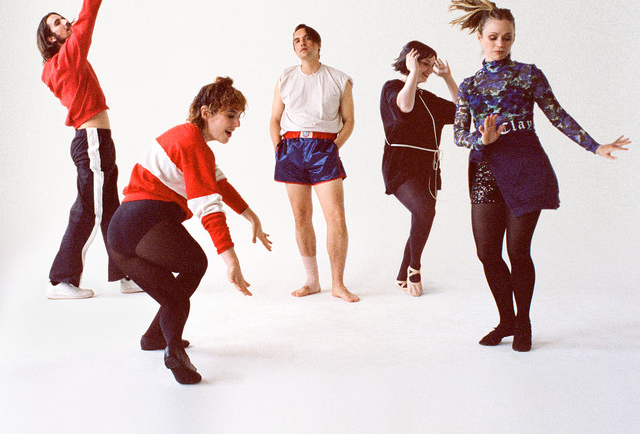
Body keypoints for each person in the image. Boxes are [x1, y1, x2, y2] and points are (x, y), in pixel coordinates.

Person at [450, 0, 630, 352]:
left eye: (507, 37)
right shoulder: (469, 85)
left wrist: (594, 146)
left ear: (514, 38)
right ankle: (506, 320)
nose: (500, 44)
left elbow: (557, 115)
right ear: (480, 38)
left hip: (526, 166)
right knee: (487, 253)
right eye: (493, 37)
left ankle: (524, 322)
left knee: (518, 251)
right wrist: (482, 141)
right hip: (486, 168)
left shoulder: (528, 74)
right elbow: (458, 134)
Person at [107, 77, 272, 385]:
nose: (237, 124)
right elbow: (209, 207)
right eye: (231, 116)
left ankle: (155, 336)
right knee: (185, 282)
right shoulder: (191, 143)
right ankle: (174, 353)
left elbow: (218, 183)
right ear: (206, 112)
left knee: (178, 288)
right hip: (142, 223)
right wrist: (231, 260)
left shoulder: (190, 140)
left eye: (239, 116)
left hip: (123, 235)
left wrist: (251, 216)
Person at [37, 0, 138, 299]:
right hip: (91, 141)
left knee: (111, 212)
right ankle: (60, 281)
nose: (66, 22)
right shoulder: (65, 60)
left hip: (99, 141)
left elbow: (80, 28)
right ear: (50, 37)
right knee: (88, 212)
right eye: (57, 22)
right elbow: (86, 23)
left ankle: (126, 275)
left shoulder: (65, 60)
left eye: (64, 18)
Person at [270, 24, 359, 303]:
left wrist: (333, 147)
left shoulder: (339, 78)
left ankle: (338, 284)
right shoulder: (285, 77)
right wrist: (279, 149)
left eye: (307, 39)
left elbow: (349, 121)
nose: (302, 43)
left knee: (336, 216)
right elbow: (274, 119)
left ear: (318, 45)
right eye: (297, 40)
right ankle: (312, 280)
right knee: (301, 217)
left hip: (324, 147)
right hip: (291, 148)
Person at [380, 41, 458, 296]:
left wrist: (447, 78)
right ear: (409, 61)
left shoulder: (428, 99)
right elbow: (405, 107)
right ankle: (414, 267)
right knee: (425, 210)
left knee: (422, 216)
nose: (430, 70)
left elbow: (464, 111)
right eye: (425, 63)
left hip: (427, 169)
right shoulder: (392, 88)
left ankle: (401, 276)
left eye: (432, 65)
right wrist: (413, 72)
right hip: (400, 166)